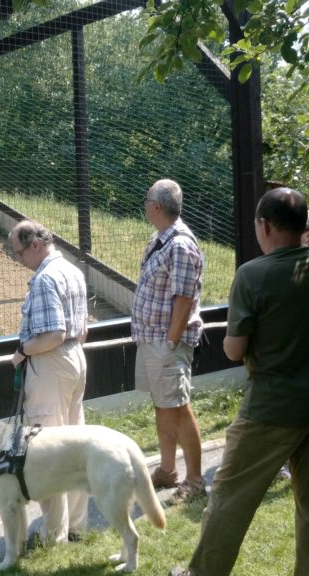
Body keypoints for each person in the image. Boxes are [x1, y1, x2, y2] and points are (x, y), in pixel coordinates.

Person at [168, 187, 309, 576]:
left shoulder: (253, 273)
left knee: (230, 497)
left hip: (272, 407)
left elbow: (234, 349)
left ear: (264, 225)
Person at [8, 219, 89, 545]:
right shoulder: (73, 270)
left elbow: (53, 335)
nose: (18, 259)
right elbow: (82, 330)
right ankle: (76, 526)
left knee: (47, 450)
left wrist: (22, 351)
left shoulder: (44, 278)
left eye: (19, 253)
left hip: (51, 363)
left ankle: (53, 534)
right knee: (73, 444)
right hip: (75, 359)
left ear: (35, 245)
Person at [131, 179, 206, 504]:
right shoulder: (160, 238)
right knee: (164, 405)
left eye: (146, 199)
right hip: (153, 339)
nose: (144, 204)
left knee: (178, 408)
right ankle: (167, 470)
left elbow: (184, 298)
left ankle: (195, 480)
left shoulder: (180, 244)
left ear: (157, 206)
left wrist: (171, 341)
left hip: (167, 343)